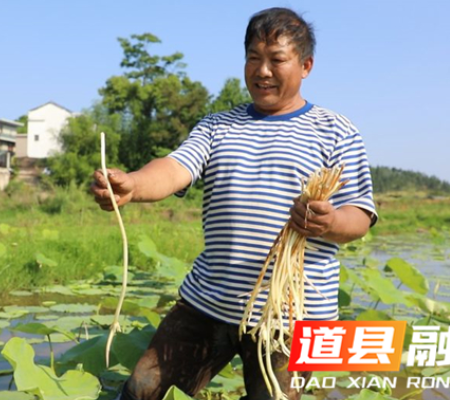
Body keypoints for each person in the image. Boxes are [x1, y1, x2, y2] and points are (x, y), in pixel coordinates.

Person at [91, 7, 377, 400]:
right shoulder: (216, 126)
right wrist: (133, 185)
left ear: (306, 65)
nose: (262, 71)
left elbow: (359, 216)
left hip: (292, 317)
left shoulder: (335, 131)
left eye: (277, 59)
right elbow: (175, 168)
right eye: (253, 58)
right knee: (143, 390)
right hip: (209, 301)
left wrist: (328, 221)